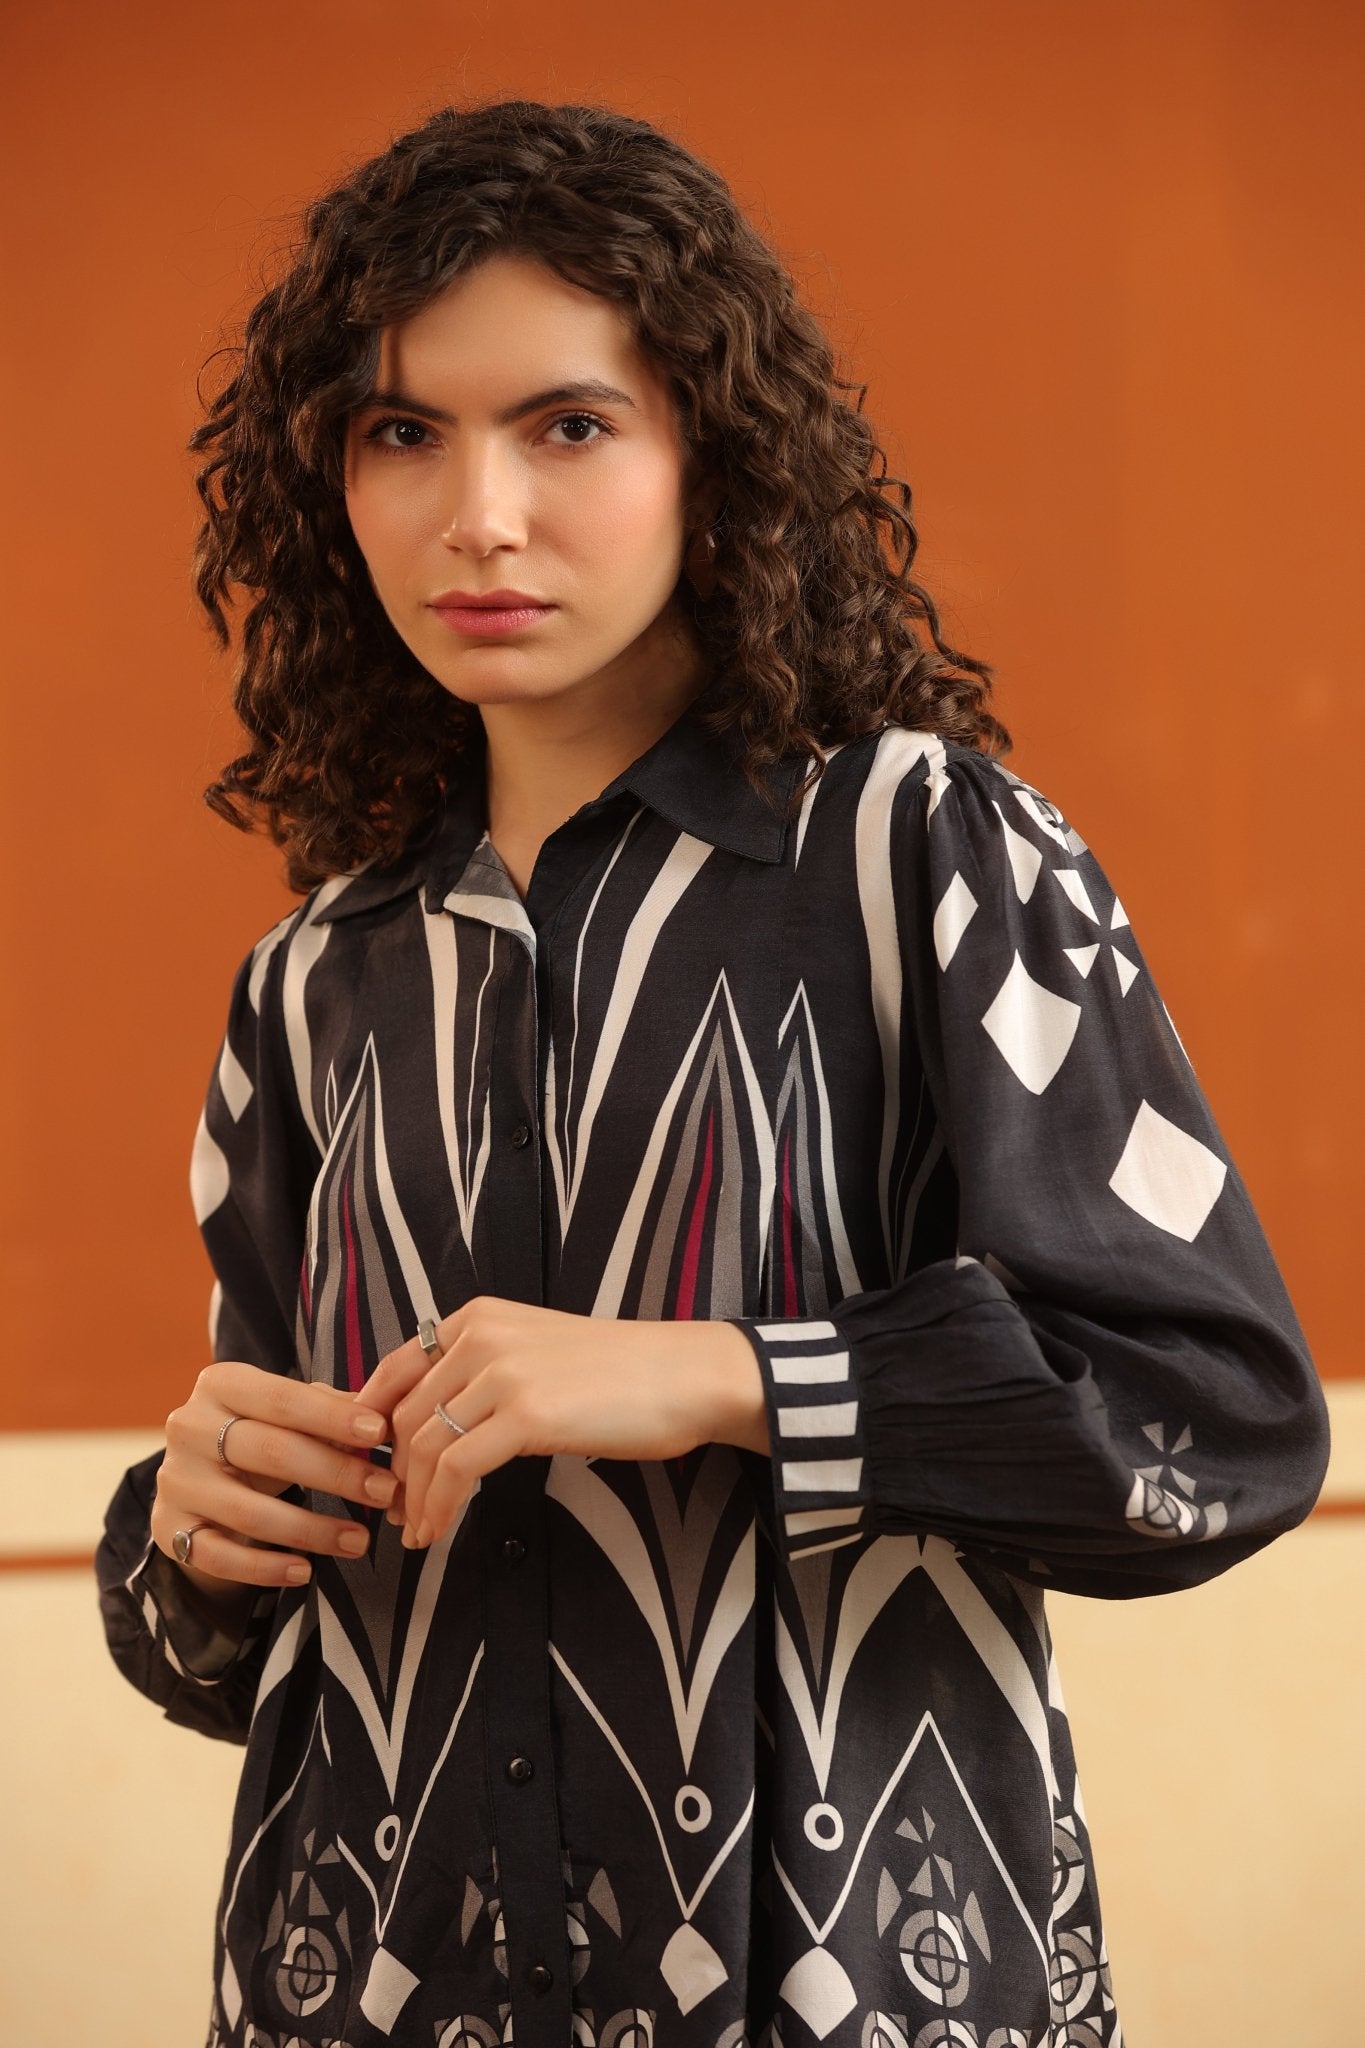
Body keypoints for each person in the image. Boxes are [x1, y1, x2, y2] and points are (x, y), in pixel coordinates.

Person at [96, 97, 1329, 2048]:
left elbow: (1217, 1423)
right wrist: (185, 1534)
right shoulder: (308, 984)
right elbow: (225, 1648)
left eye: (567, 425)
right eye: (400, 432)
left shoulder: (925, 855)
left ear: (711, 453)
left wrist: (719, 1373)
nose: (476, 515)